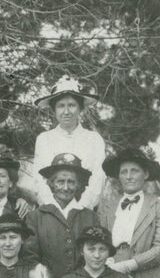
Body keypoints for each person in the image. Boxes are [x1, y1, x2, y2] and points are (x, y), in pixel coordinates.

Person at [98, 147, 160, 278]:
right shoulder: (107, 207)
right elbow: (100, 240)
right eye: (123, 172)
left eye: (134, 171)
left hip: (148, 276)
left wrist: (129, 264)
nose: (129, 176)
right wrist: (107, 260)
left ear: (145, 174)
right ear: (118, 176)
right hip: (113, 272)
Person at [32, 76, 106, 209]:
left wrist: (80, 209)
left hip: (85, 210)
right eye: (61, 106)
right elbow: (39, 181)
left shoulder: (94, 140)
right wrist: (53, 209)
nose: (66, 112)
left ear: (80, 108)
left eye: (71, 105)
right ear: (54, 110)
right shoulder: (44, 139)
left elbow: (98, 180)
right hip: (50, 211)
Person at [25, 153, 101, 278]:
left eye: (71, 182)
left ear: (78, 185)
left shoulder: (90, 217)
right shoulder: (36, 217)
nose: (66, 188)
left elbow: (95, 254)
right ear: (51, 184)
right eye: (60, 182)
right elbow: (30, 257)